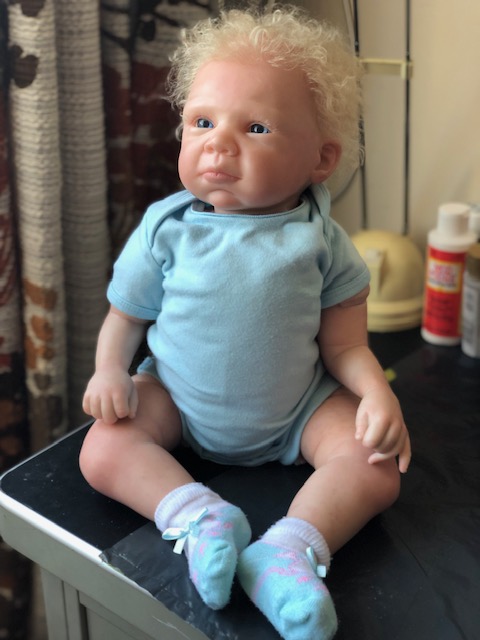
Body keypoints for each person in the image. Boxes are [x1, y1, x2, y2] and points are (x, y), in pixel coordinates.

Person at [80, 6, 411, 640]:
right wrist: (108, 371)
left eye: (255, 127)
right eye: (202, 122)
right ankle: (200, 518)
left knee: (377, 464)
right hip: (177, 402)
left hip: (297, 413)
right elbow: (126, 317)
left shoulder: (322, 240)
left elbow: (345, 346)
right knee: (102, 448)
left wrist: (376, 394)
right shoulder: (166, 230)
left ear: (321, 158)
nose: (218, 143)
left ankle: (289, 552)